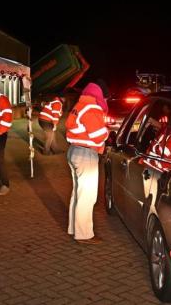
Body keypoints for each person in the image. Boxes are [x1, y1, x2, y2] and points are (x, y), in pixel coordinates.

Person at [65, 82, 109, 244]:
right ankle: (84, 235)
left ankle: (74, 228)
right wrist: (107, 131)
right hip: (86, 154)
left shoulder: (79, 105)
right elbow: (99, 135)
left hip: (74, 150)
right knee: (87, 197)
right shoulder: (92, 108)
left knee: (77, 193)